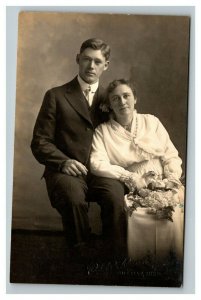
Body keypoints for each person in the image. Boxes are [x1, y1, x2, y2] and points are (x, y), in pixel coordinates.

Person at [89, 78, 184, 259]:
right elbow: (96, 163)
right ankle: (138, 265)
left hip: (163, 178)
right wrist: (129, 177)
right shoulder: (103, 131)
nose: (122, 102)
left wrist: (170, 180)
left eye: (126, 96)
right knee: (139, 215)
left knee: (173, 210)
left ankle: (173, 264)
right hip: (131, 184)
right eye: (115, 98)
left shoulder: (151, 121)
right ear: (109, 104)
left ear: (135, 99)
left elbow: (170, 154)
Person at [31, 38, 110, 254]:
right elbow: (40, 141)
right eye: (86, 59)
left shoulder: (112, 98)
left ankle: (116, 256)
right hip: (65, 171)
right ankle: (80, 256)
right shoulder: (56, 95)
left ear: (106, 65)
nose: (91, 66)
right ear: (78, 59)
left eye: (97, 61)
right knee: (73, 198)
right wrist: (63, 161)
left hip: (102, 171)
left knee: (116, 199)